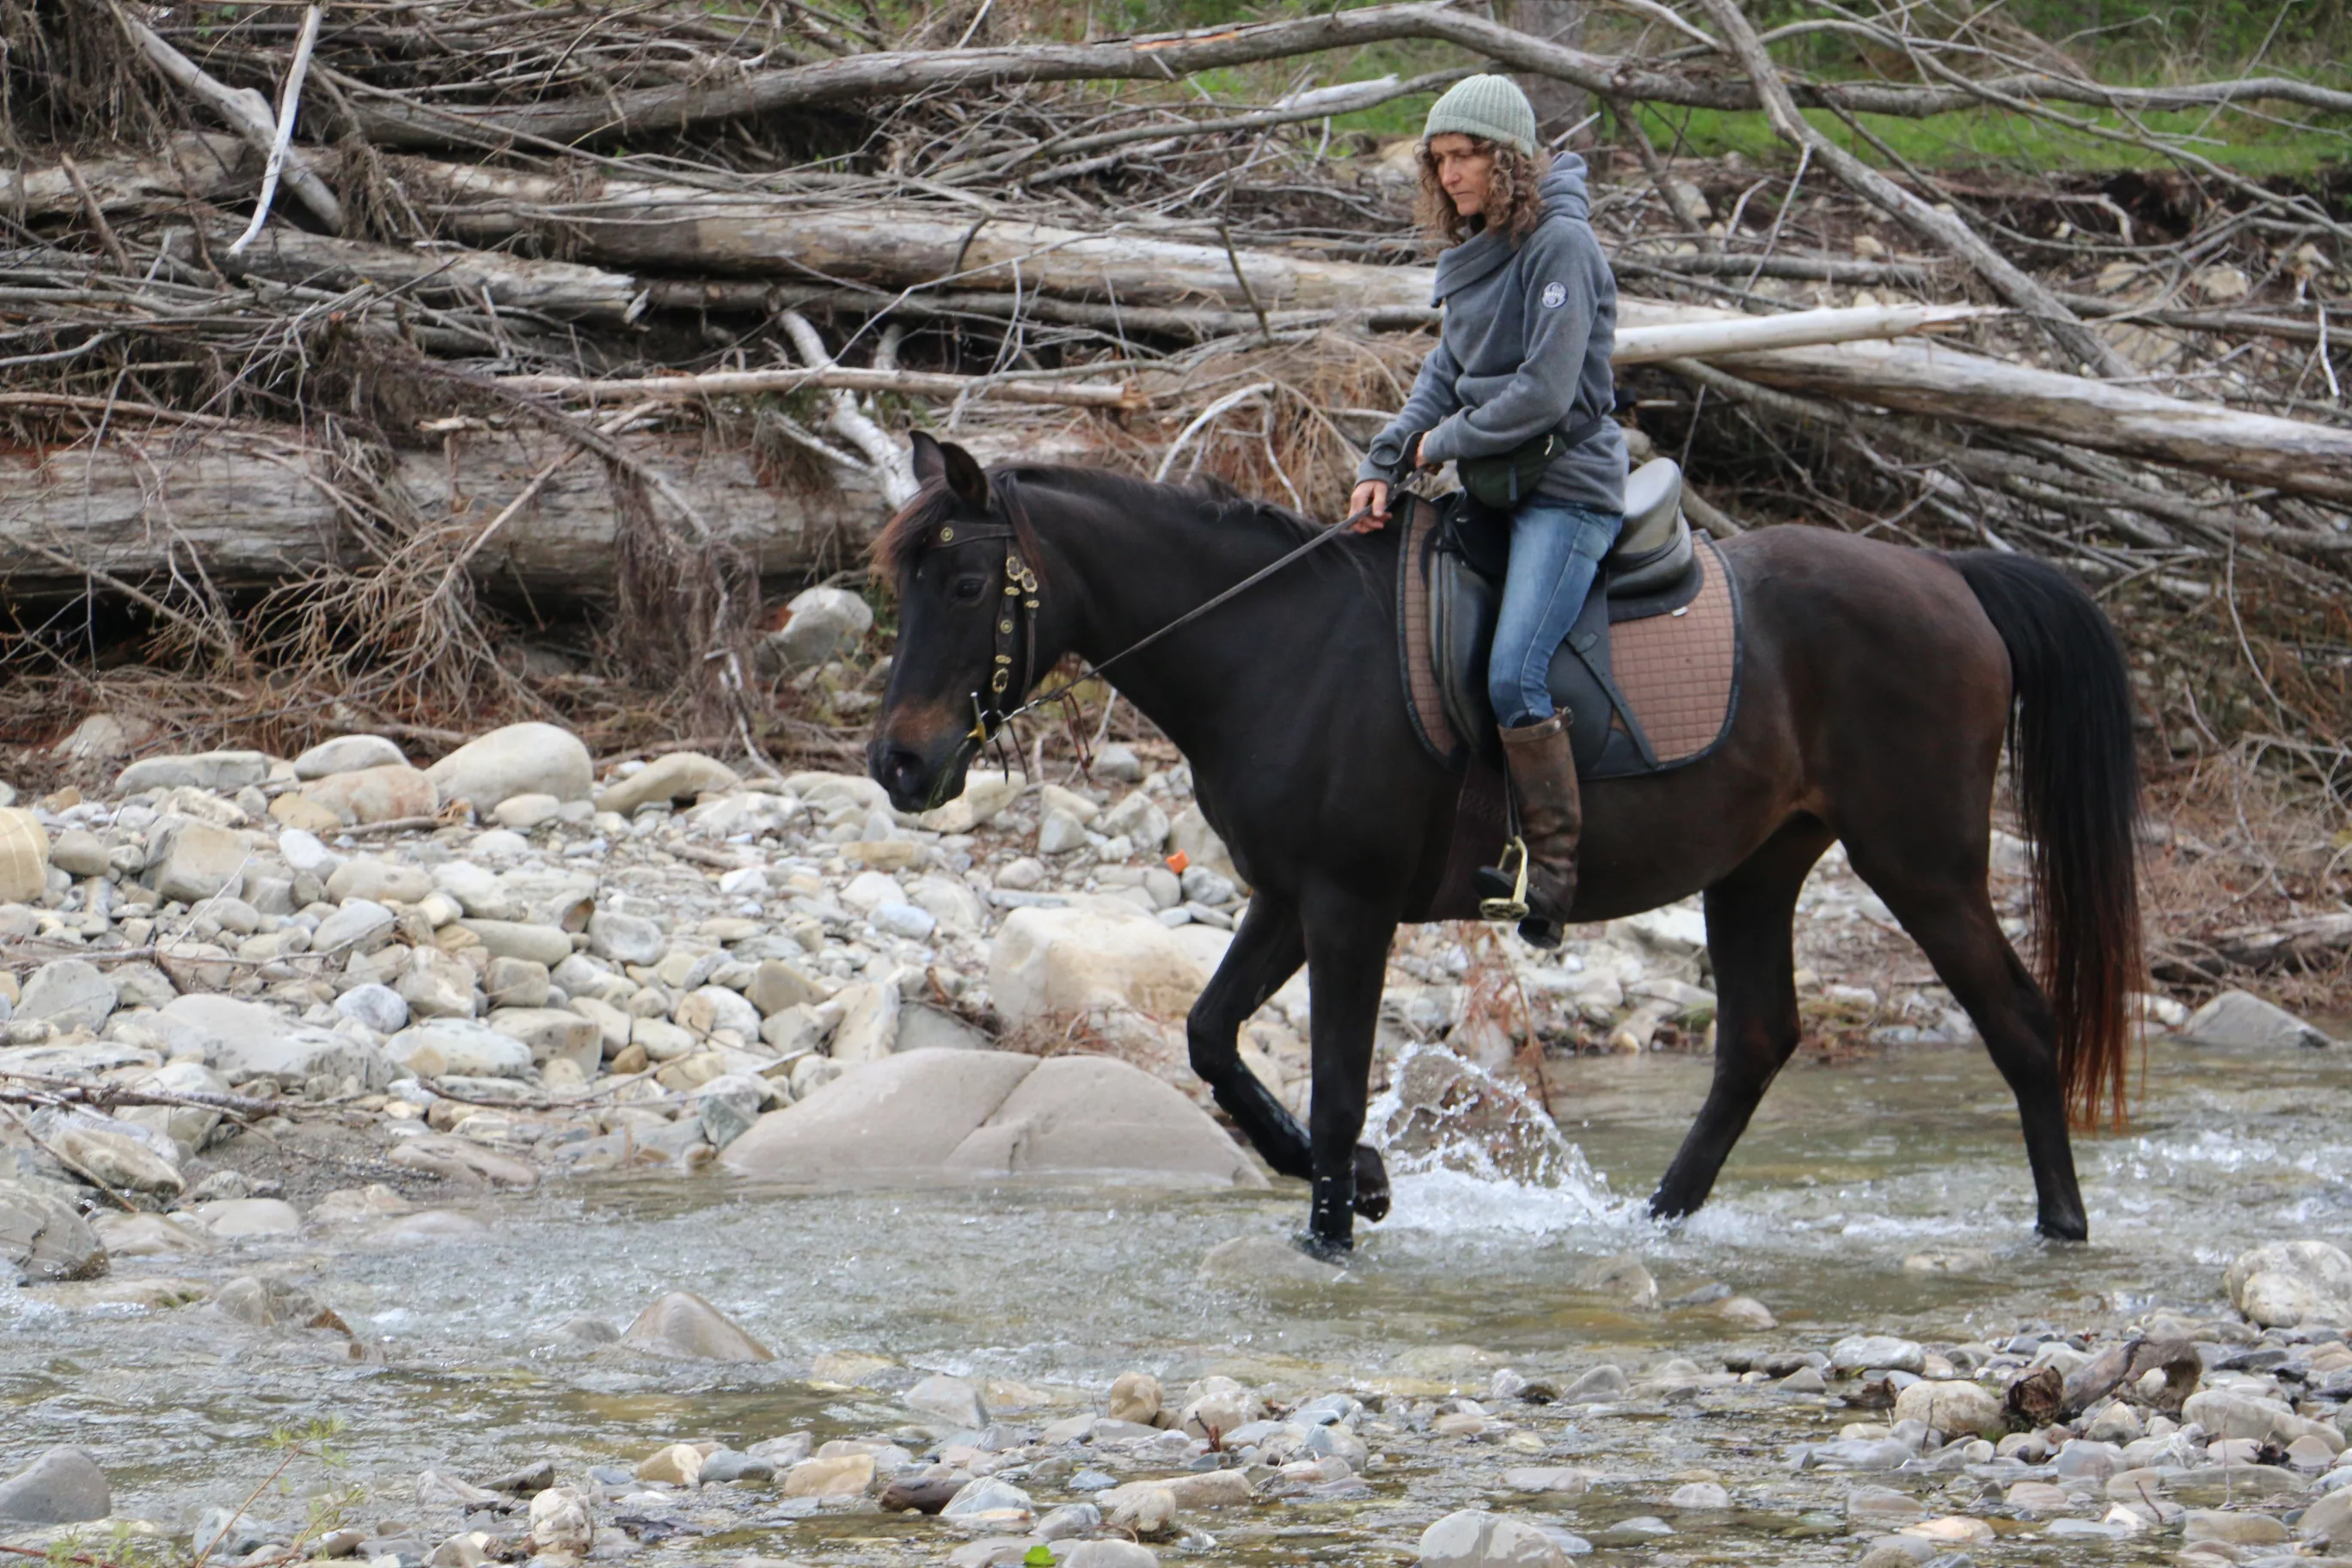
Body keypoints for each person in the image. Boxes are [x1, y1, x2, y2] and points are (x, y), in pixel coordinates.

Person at [1350, 74, 1627, 934]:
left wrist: (1442, 445)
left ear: (1507, 159)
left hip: (1567, 490)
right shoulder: (1478, 245)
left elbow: (1545, 396)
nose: (1450, 175)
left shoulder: (1561, 249)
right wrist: (1388, 456)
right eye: (1438, 161)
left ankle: (1552, 873)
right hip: (1496, 486)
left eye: (1464, 157)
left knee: (1513, 672)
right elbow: (1448, 370)